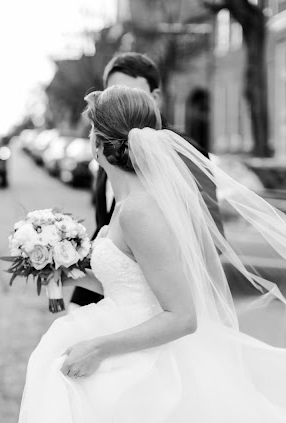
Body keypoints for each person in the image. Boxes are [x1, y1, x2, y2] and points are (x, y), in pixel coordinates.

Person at [18, 86, 286, 423]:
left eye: (90, 131)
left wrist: (98, 347)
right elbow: (132, 281)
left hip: (150, 361)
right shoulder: (131, 204)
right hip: (125, 329)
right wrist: (64, 271)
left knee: (60, 382)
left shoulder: (139, 210)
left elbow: (182, 317)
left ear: (99, 144)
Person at [70, 52, 223, 309]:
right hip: (114, 294)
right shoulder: (108, 152)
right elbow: (108, 229)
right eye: (112, 92)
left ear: (154, 98)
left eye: (129, 93)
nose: (119, 103)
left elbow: (209, 236)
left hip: (161, 302)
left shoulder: (185, 152)